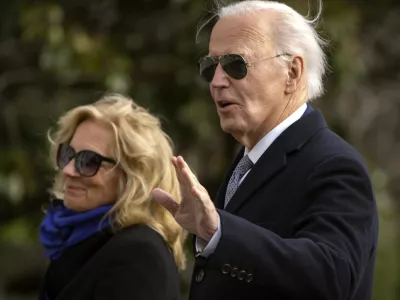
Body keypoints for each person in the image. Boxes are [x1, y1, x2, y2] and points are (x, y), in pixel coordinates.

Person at [152, 1, 378, 300]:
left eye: (235, 64)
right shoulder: (249, 160)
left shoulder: (334, 164)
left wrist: (221, 231)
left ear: (292, 73)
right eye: (211, 67)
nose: (218, 82)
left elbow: (333, 277)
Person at [38, 94, 187, 300]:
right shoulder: (77, 241)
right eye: (68, 154)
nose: (69, 170)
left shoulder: (139, 255)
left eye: (89, 161)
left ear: (132, 177)